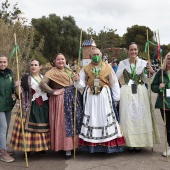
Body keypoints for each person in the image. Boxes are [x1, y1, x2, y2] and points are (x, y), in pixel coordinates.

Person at [74, 47, 125, 153]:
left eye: (98, 54)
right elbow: (81, 85)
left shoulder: (108, 67)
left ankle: (108, 145)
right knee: (92, 118)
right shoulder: (85, 68)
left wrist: (116, 99)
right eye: (93, 54)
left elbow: (114, 83)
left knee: (104, 117)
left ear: (101, 55)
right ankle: (91, 145)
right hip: (90, 97)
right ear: (90, 56)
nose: (96, 56)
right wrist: (78, 80)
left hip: (104, 96)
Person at [116, 42, 160, 152]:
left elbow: (145, 80)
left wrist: (150, 73)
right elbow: (116, 77)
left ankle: (139, 143)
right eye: (131, 49)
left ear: (138, 50)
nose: (133, 52)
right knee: (128, 118)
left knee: (140, 117)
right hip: (127, 92)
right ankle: (130, 143)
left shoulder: (144, 63)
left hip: (140, 91)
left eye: (135, 49)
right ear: (128, 51)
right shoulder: (123, 63)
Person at [39, 53, 83, 159]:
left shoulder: (68, 70)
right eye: (58, 59)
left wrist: (77, 79)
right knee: (64, 123)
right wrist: (53, 92)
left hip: (72, 97)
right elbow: (42, 83)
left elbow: (74, 82)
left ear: (65, 60)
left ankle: (73, 145)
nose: (61, 61)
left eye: (62, 59)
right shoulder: (51, 72)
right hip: (61, 99)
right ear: (54, 61)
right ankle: (66, 148)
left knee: (74, 121)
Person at [10, 60, 50, 158]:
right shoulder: (25, 78)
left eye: (36, 65)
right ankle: (27, 150)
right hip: (29, 105)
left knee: (42, 127)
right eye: (31, 65)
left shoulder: (44, 78)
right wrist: (17, 86)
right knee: (28, 128)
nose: (33, 67)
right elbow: (19, 95)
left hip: (43, 105)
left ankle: (40, 148)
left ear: (40, 67)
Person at [151, 52, 170, 156]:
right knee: (168, 126)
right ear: (165, 60)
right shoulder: (160, 73)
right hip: (164, 103)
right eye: (168, 58)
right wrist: (158, 87)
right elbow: (153, 86)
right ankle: (169, 146)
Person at [0, 54, 17, 163]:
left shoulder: (10, 75)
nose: (2, 64)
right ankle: (2, 151)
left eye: (4, 62)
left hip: (8, 105)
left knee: (4, 129)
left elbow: (11, 90)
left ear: (7, 63)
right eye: (0, 62)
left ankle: (3, 146)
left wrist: (16, 86)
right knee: (3, 127)